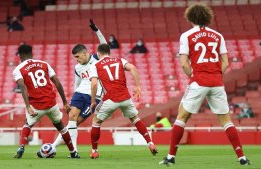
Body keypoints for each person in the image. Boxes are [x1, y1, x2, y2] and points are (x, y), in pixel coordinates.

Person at [159, 4, 250, 166]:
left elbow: (184, 64)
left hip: (198, 81)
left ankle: (171, 157)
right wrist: (215, 74)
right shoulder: (218, 36)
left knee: (181, 118)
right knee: (226, 121)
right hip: (216, 82)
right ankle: (242, 158)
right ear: (208, 17)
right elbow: (226, 62)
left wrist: (194, 75)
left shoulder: (186, 36)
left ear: (190, 18)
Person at [89, 44, 158, 159]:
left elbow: (94, 83)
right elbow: (133, 68)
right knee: (135, 119)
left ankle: (94, 151)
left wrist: (92, 101)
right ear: (109, 52)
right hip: (125, 97)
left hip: (109, 99)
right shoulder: (119, 60)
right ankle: (150, 143)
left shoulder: (95, 65)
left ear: (98, 53)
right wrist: (138, 86)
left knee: (96, 122)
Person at [12, 44, 79, 159]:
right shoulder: (44, 64)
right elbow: (57, 82)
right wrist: (65, 102)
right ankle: (73, 152)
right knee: (61, 127)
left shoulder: (18, 69)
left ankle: (21, 147)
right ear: (32, 54)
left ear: (20, 56)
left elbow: (22, 87)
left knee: (28, 124)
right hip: (51, 103)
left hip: (36, 106)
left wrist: (27, 106)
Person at [51, 19, 105, 153]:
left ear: (86, 53)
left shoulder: (96, 59)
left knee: (75, 123)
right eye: (75, 57)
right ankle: (73, 150)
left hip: (95, 96)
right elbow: (77, 83)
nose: (77, 60)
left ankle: (53, 146)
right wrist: (72, 98)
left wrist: (96, 30)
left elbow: (104, 45)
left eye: (78, 56)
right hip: (79, 94)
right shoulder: (77, 68)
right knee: (71, 118)